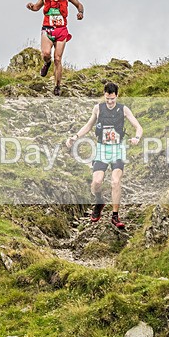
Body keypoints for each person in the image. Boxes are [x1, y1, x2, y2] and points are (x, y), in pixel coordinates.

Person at [66, 82, 143, 229]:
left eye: (112, 99)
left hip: (118, 149)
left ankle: (115, 215)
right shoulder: (98, 108)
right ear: (104, 95)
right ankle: (99, 201)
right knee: (96, 183)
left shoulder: (123, 109)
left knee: (115, 181)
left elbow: (138, 127)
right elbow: (89, 125)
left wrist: (137, 138)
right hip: (102, 149)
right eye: (107, 99)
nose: (110, 102)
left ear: (117, 96)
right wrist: (75, 137)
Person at [26, 0, 84, 96]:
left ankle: (57, 86)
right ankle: (47, 63)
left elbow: (79, 4)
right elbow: (36, 7)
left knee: (57, 59)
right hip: (48, 28)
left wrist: (80, 13)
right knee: (46, 54)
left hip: (61, 30)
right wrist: (31, 6)